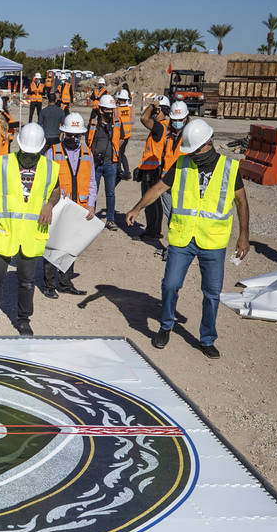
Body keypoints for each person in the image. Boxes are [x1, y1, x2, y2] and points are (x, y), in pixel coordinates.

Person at [125, 118, 250, 358]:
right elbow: (159, 189)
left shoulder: (229, 168)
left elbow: (241, 202)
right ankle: (165, 326)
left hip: (212, 241)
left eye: (195, 150)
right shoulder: (182, 164)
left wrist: (244, 236)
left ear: (208, 144)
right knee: (170, 284)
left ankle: (207, 338)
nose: (191, 154)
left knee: (212, 293)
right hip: (183, 237)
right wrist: (137, 207)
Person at [0, 122, 61, 336]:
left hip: (32, 235)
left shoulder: (50, 167)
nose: (29, 157)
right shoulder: (2, 164)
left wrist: (49, 204)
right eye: (26, 152)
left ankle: (23, 320)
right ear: (19, 146)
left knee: (27, 282)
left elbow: (56, 191)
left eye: (33, 153)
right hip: (5, 231)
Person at [42, 113, 97, 297]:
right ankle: (49, 285)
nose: (73, 138)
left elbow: (92, 182)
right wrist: (54, 192)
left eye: (77, 135)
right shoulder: (52, 152)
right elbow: (45, 180)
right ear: (64, 133)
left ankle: (65, 283)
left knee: (72, 246)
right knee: (53, 245)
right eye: (70, 135)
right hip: (58, 207)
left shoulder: (87, 153)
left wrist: (91, 204)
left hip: (78, 208)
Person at [138, 98, 188, 252]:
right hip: (165, 180)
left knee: (173, 215)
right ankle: (174, 247)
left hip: (176, 181)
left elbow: (143, 118)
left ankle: (173, 244)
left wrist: (152, 105)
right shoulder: (170, 133)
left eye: (156, 111)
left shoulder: (162, 127)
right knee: (170, 216)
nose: (154, 113)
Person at [88, 93, 123, 230]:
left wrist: (115, 150)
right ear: (101, 109)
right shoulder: (93, 122)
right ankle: (91, 219)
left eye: (112, 109)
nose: (110, 112)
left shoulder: (116, 122)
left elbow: (123, 137)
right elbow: (87, 139)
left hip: (110, 163)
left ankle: (110, 220)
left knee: (110, 193)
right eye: (108, 109)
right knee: (92, 192)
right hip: (95, 164)